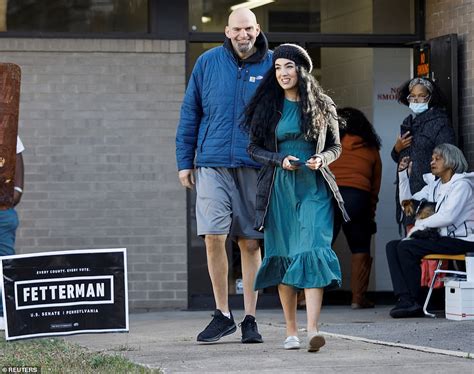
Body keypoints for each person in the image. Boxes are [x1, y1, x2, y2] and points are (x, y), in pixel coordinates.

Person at [175, 8, 272, 343]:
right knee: (213, 235)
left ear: (257, 29)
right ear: (227, 31)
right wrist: (184, 161)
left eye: (248, 29)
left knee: (248, 241)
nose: (242, 35)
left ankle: (250, 318)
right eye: (236, 29)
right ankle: (222, 314)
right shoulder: (207, 62)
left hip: (254, 164)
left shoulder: (273, 65)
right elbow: (190, 111)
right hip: (212, 162)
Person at [244, 43, 349, 352]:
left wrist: (323, 159)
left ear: (302, 70)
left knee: (314, 248)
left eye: (288, 67)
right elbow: (253, 148)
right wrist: (279, 159)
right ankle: (291, 330)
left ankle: (313, 328)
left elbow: (335, 146)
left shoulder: (322, 103)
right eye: (277, 68)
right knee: (285, 254)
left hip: (314, 186)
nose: (282, 73)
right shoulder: (268, 104)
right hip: (279, 188)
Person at [386, 143, 474, 318]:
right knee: (392, 246)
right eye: (432, 159)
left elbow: (448, 216)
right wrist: (403, 177)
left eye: (437, 158)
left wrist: (420, 226)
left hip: (462, 240)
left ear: (451, 161)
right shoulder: (434, 186)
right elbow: (408, 208)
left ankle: (414, 300)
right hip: (442, 239)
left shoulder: (462, 185)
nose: (432, 162)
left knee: (406, 247)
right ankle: (406, 299)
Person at [330, 107, 382, 309]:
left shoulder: (331, 146)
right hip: (358, 197)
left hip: (331, 196)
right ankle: (358, 298)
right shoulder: (371, 149)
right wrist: (370, 214)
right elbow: (374, 187)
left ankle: (302, 297)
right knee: (360, 246)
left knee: (320, 246)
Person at [391, 77, 455, 232]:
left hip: (429, 192)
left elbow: (447, 156)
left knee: (422, 242)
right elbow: (397, 158)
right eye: (412, 96)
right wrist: (397, 149)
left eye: (421, 95)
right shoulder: (408, 124)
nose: (416, 99)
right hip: (408, 190)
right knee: (409, 236)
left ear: (431, 97)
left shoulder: (440, 123)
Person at [0, 136, 24, 330]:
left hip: (2, 212)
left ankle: (4, 314)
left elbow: (17, 155)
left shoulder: (7, 129)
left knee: (4, 262)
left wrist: (15, 192)